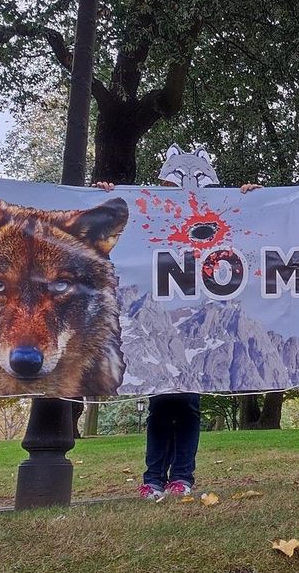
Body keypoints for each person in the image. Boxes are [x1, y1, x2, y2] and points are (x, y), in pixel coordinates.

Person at [99, 143, 215, 500]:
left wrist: (250, 196)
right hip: (156, 323)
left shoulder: (215, 213)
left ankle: (182, 477)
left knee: (188, 405)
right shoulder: (147, 212)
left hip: (197, 325)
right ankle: (153, 478)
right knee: (161, 404)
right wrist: (106, 197)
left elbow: (251, 225)